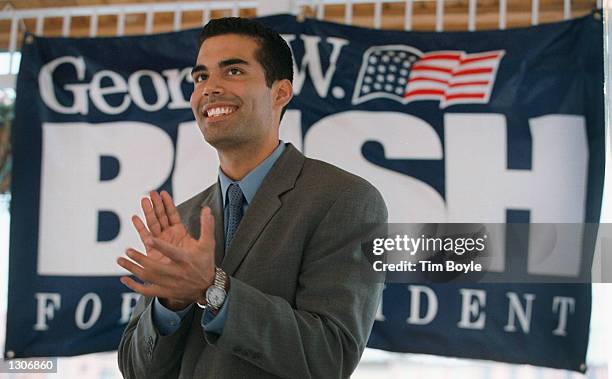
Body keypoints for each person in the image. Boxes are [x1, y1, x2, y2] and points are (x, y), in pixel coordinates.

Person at [116, 17, 387, 379]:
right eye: (201, 77)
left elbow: (330, 357)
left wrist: (214, 289)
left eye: (233, 71)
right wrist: (171, 303)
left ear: (281, 92)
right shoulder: (183, 219)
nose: (210, 88)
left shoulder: (346, 200)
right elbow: (138, 372)